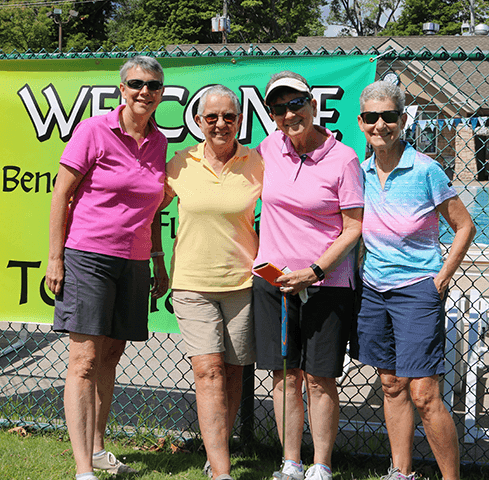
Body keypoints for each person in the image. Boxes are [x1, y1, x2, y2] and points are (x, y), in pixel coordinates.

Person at [45, 56, 169, 480]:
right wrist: (55, 256)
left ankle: (98, 449)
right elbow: (61, 194)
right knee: (83, 360)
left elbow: (149, 210)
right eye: (136, 84)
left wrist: (157, 258)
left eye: (153, 86)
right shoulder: (94, 130)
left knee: (111, 355)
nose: (145, 92)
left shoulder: (159, 142)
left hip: (133, 262)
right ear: (122, 88)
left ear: (162, 93)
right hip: (88, 256)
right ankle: (83, 468)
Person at [353, 81, 475, 480]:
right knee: (390, 385)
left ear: (403, 120)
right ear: (361, 122)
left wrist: (440, 279)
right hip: (374, 291)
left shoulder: (426, 169)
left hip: (417, 292)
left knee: (424, 393)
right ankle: (400, 472)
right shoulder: (360, 171)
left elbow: (464, 226)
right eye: (372, 117)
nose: (381, 124)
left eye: (389, 116)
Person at [252, 71, 364, 480]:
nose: (288, 114)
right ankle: (291, 462)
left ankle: (321, 465)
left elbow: (353, 227)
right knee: (285, 378)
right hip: (274, 284)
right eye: (278, 108)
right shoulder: (268, 148)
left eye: (295, 103)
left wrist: (314, 271)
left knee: (319, 379)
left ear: (312, 104)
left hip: (326, 285)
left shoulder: (344, 158)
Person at [160, 85, 263, 480]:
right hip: (192, 285)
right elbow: (149, 208)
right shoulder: (180, 163)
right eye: (212, 117)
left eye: (229, 116)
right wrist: (155, 257)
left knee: (234, 369)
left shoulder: (257, 163)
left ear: (240, 120)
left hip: (242, 283)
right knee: (208, 370)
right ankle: (221, 470)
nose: (221, 124)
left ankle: (216, 449)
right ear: (199, 121)